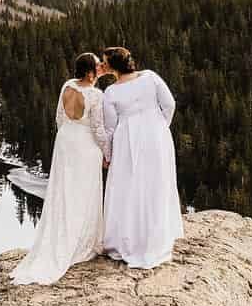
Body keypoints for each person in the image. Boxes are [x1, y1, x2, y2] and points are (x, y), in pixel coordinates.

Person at [10, 53, 110, 285]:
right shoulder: (96, 95)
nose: (100, 67)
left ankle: (61, 237)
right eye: (97, 66)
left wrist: (67, 137)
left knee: (63, 192)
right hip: (85, 144)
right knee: (84, 193)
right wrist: (107, 153)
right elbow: (97, 128)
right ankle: (82, 242)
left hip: (66, 140)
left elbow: (59, 118)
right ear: (89, 72)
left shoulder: (67, 85)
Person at [97, 45, 183, 270]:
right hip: (156, 136)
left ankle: (128, 240)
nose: (102, 65)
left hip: (127, 141)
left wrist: (107, 156)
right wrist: (160, 127)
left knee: (128, 188)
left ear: (113, 66)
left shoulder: (111, 93)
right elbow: (169, 104)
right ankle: (156, 237)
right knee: (156, 184)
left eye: (105, 62)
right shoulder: (150, 77)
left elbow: (110, 129)